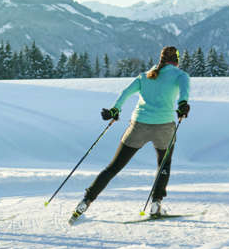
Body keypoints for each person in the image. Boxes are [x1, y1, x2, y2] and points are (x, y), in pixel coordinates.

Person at [72, 46, 190, 222]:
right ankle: (156, 204)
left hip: (138, 126)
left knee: (114, 167)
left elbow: (125, 93)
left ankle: (85, 201)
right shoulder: (181, 76)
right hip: (164, 126)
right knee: (163, 165)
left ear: (161, 59)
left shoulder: (145, 76)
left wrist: (115, 110)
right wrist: (182, 106)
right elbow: (184, 94)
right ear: (177, 60)